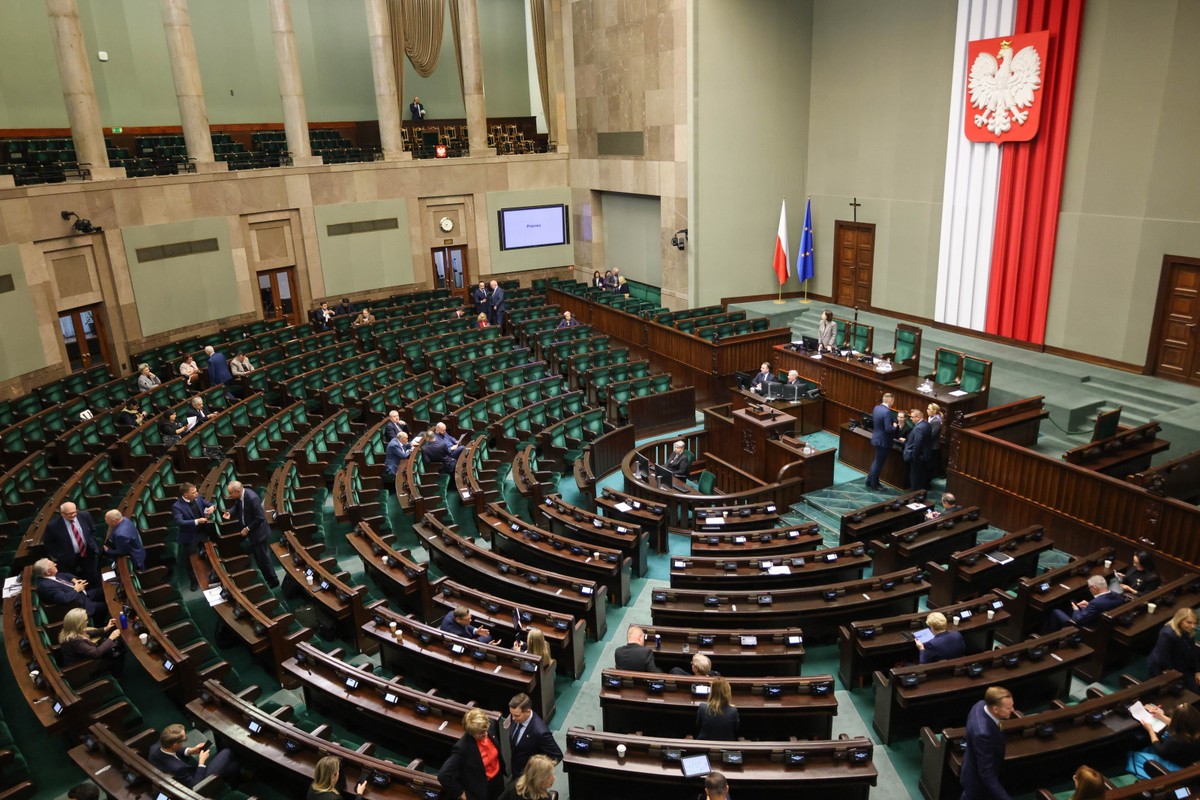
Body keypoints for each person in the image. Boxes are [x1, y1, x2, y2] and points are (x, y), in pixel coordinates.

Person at [437, 708, 504, 800]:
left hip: (498, 781)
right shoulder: (462, 748)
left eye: (485, 730)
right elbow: (443, 775)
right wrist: (460, 792)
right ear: (471, 733)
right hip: (480, 789)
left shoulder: (491, 725)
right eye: (480, 733)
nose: (485, 734)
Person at [961, 686, 1015, 800]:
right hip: (977, 782)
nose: (1013, 710)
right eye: (1008, 708)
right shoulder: (983, 734)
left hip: (973, 763)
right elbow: (986, 772)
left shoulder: (980, 705)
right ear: (995, 709)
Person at [148, 723, 241, 789]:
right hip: (198, 780)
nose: (186, 740)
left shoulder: (155, 747)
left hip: (186, 774)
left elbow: (173, 750)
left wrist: (190, 751)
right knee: (227, 752)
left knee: (234, 766)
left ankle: (230, 786)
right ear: (175, 745)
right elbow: (195, 785)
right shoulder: (178, 768)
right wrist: (201, 762)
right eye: (185, 739)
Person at [223, 480, 279, 588]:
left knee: (264, 559)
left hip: (259, 533)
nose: (229, 496)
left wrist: (247, 529)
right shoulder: (240, 497)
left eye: (231, 493)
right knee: (259, 558)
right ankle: (267, 578)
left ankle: (274, 580)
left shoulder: (252, 498)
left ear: (238, 491)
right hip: (252, 533)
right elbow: (237, 506)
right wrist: (230, 512)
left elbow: (260, 518)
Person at [498, 692, 562, 780]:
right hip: (516, 770)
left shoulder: (541, 732)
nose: (512, 718)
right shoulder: (516, 717)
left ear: (528, 711)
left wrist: (538, 772)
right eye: (511, 714)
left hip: (529, 778)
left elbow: (557, 755)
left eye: (516, 715)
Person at [1128, 702, 1200, 778]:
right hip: (1189, 758)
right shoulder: (1194, 730)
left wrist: (1150, 730)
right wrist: (1161, 716)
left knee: (1135, 756)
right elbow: (1182, 724)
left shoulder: (1177, 741)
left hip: (1178, 766)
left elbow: (1160, 751)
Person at [172, 483, 217, 591]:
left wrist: (212, 507)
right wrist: (197, 521)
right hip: (190, 536)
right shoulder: (177, 506)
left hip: (203, 532)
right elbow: (180, 522)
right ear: (186, 494)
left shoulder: (198, 498)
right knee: (191, 560)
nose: (196, 493)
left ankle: (212, 576)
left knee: (208, 554)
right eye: (193, 492)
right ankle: (194, 581)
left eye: (196, 491)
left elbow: (209, 503)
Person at [45, 501, 100, 586]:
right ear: (62, 513)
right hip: (68, 557)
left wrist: (92, 543)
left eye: (75, 512)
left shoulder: (85, 516)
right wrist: (58, 555)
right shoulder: (53, 525)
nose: (73, 515)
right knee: (72, 579)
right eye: (70, 514)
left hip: (88, 552)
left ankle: (93, 592)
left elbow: (93, 530)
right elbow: (49, 543)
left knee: (92, 576)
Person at [59, 607, 124, 678]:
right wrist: (111, 637)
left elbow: (87, 633)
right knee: (117, 655)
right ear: (79, 624)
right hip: (84, 667)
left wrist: (106, 628)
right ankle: (116, 677)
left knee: (111, 645)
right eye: (86, 620)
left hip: (86, 655)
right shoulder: (75, 640)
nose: (88, 622)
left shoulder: (70, 630)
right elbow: (96, 653)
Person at [1047, 574, 1127, 632]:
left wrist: (1076, 609)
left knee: (1056, 612)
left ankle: (1050, 636)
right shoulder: (1118, 596)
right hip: (1102, 623)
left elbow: (1078, 620)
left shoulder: (1096, 603)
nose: (1089, 589)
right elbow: (1103, 607)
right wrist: (1089, 605)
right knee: (1068, 609)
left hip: (1089, 628)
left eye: (1089, 587)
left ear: (1094, 587)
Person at [1147, 607, 1200, 691]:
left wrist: (1197, 671)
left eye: (1195, 623)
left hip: (1183, 664)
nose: (1193, 626)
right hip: (1165, 668)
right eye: (1189, 623)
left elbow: (1193, 651)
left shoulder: (1189, 631)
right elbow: (1164, 659)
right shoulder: (1167, 634)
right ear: (1179, 620)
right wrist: (1178, 677)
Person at [32, 558, 104, 619]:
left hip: (83, 595)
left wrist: (75, 581)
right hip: (79, 606)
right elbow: (64, 598)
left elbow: (64, 575)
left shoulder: (49, 576)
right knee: (105, 606)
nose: (55, 564)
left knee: (103, 591)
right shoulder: (47, 586)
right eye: (53, 565)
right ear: (48, 572)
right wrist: (76, 589)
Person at [866, 392, 897, 491]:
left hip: (876, 438)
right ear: (890, 400)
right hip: (883, 441)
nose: (893, 402)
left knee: (876, 461)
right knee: (879, 463)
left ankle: (869, 480)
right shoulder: (887, 412)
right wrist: (895, 427)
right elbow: (888, 429)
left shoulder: (876, 408)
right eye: (893, 400)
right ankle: (875, 485)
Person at [904, 407, 933, 490]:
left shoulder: (918, 428)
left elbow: (917, 444)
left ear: (918, 417)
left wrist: (914, 456)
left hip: (918, 457)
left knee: (915, 477)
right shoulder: (927, 424)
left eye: (912, 417)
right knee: (921, 476)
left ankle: (915, 493)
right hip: (925, 455)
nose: (911, 418)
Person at [927, 402, 944, 476]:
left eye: (929, 409)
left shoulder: (936, 421)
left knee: (931, 464)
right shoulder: (930, 418)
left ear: (934, 411)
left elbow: (932, 435)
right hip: (930, 445)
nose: (927, 410)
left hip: (933, 446)